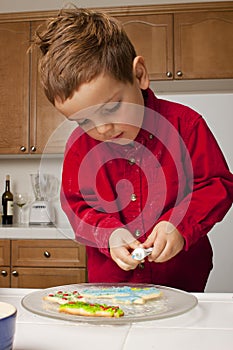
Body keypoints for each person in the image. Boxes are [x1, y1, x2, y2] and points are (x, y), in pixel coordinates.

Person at [34, 7, 233, 292]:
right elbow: (78, 207)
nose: (102, 129)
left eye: (113, 107)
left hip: (183, 284)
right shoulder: (80, 146)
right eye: (83, 120)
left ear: (138, 75)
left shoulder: (187, 125)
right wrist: (108, 233)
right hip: (111, 287)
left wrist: (180, 224)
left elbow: (217, 184)